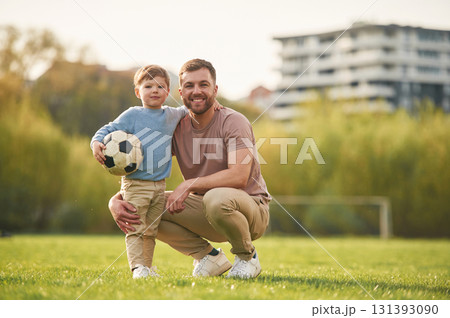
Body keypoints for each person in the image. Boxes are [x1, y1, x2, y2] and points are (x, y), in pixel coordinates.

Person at [109, 59, 271, 279]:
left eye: (203, 85)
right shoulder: (176, 127)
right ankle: (209, 257)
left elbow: (239, 176)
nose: (197, 91)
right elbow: (148, 167)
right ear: (179, 91)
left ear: (215, 89)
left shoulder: (234, 122)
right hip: (206, 209)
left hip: (250, 209)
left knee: (217, 198)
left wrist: (189, 185)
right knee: (151, 205)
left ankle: (247, 257)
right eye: (190, 86)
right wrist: (117, 199)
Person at [91, 65, 188, 279]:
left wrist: (214, 104)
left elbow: (190, 108)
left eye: (161, 86)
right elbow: (108, 128)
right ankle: (137, 268)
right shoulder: (133, 115)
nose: (155, 90)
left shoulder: (172, 115)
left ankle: (147, 268)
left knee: (151, 231)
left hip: (160, 185)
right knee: (136, 228)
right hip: (136, 184)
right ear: (138, 92)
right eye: (148, 86)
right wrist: (96, 142)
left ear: (168, 92)